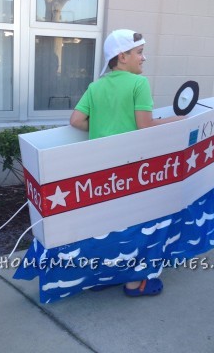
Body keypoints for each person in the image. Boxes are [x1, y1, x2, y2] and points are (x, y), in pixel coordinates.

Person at [70, 29, 185, 297]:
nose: (143, 58)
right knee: (139, 224)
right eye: (139, 52)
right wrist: (179, 121)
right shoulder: (138, 84)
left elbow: (75, 121)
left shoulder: (95, 86)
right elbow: (145, 126)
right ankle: (135, 283)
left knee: (106, 224)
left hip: (100, 169)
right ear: (122, 57)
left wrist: (103, 126)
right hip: (133, 169)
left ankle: (105, 276)